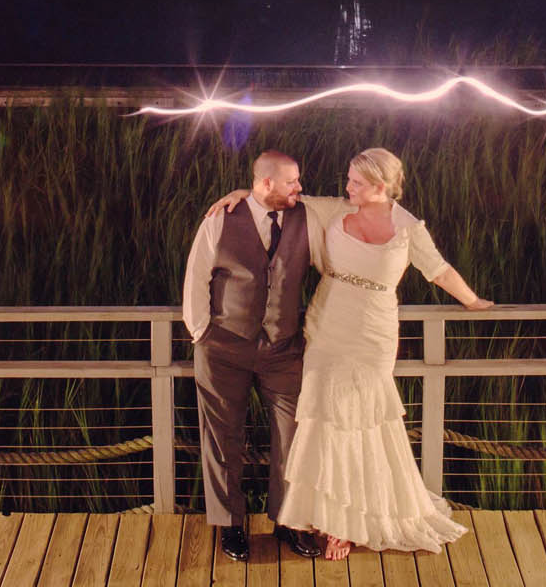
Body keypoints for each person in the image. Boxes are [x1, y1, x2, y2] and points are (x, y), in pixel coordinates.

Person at [209, 147, 492, 560]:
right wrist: (242, 190)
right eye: (349, 179)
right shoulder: (333, 210)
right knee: (323, 421)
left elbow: (438, 269)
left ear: (380, 187)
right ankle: (325, 520)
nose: (347, 187)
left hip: (374, 331)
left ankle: (355, 521)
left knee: (364, 422)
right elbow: (283, 198)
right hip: (327, 326)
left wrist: (472, 302)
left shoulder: (408, 227)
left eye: (357, 182)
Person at [181, 151, 324, 562]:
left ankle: (288, 521)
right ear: (266, 184)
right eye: (292, 181)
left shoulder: (305, 216)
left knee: (293, 435)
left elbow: (349, 209)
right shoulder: (219, 219)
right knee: (223, 439)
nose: (299, 187)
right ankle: (231, 524)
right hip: (223, 347)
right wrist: (201, 332)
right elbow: (197, 275)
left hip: (283, 348)